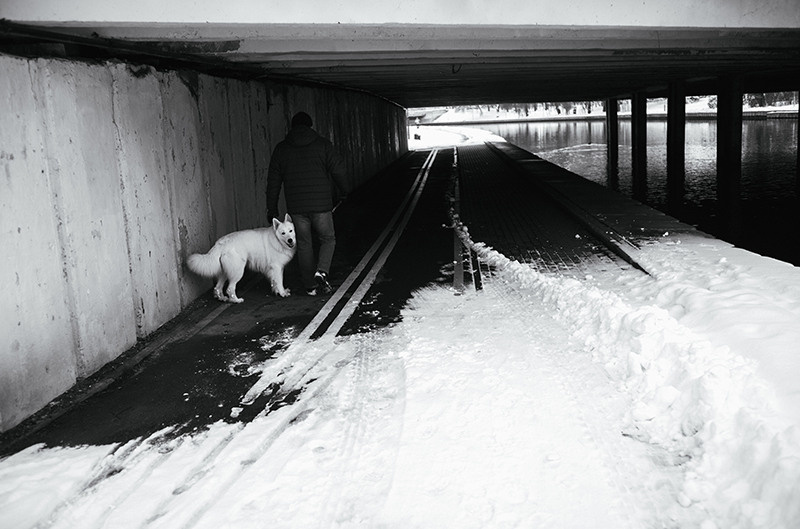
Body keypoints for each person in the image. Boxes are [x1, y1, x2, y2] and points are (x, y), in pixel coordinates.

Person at [267, 111, 348, 296]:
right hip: (321, 205)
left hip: (297, 207)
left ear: (292, 127)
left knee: (304, 244)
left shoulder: (282, 149)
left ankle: (310, 286)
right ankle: (322, 271)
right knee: (328, 239)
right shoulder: (323, 145)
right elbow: (338, 171)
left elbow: (273, 182)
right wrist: (344, 191)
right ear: (310, 126)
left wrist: (271, 208)